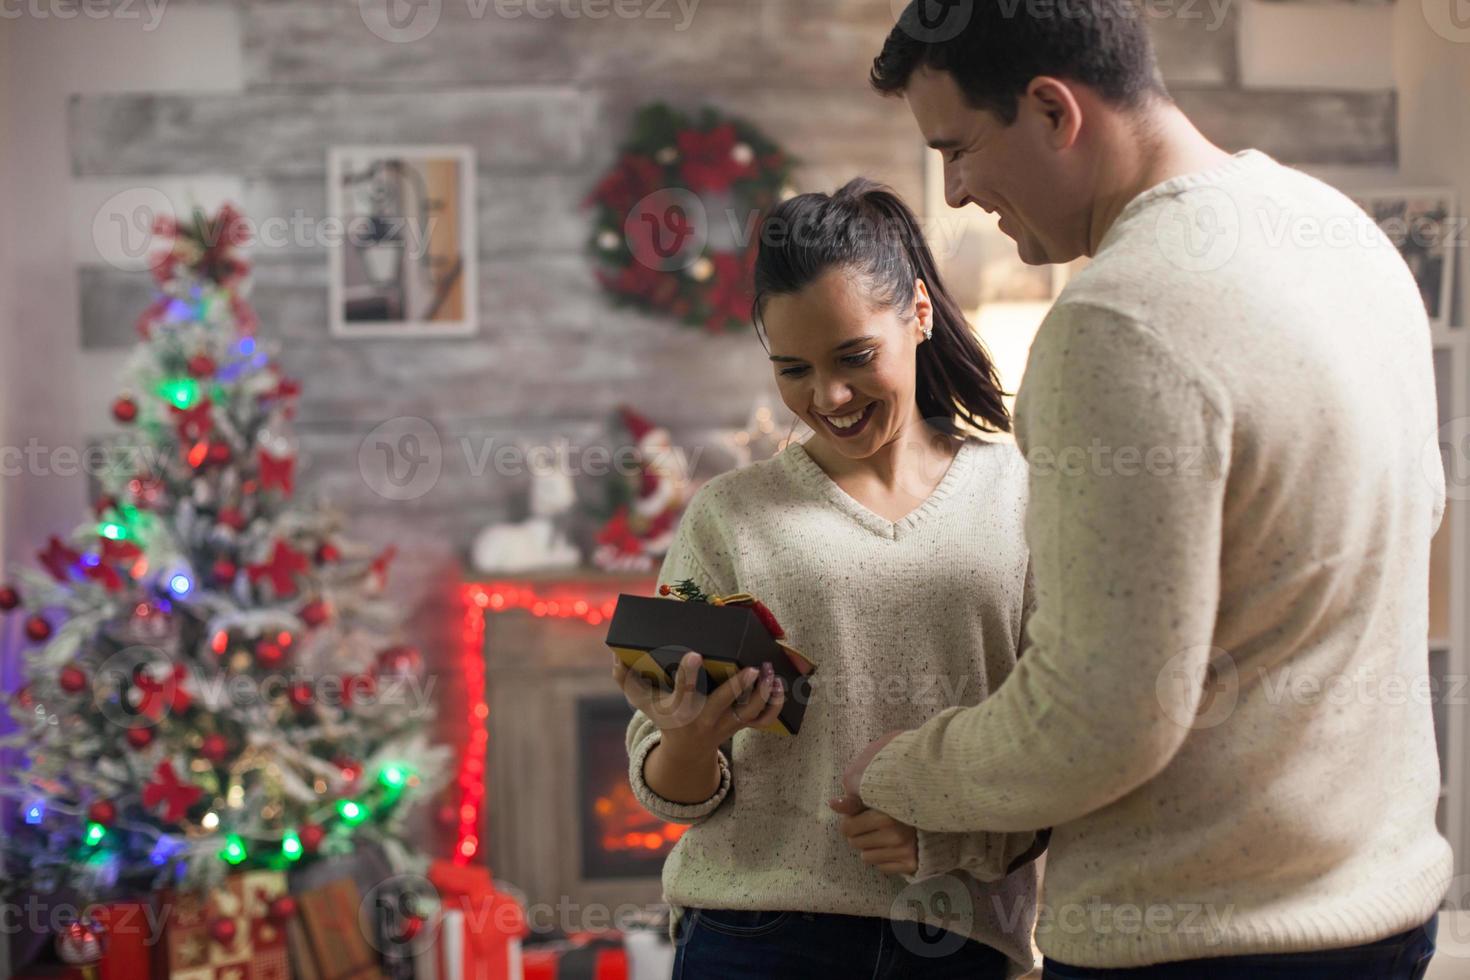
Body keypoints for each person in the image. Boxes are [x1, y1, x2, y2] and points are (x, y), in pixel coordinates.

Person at [838, 2, 1450, 978]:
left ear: (1052, 109)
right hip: (1384, 907)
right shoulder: (1343, 234)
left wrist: (904, 772)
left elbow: (1094, 720)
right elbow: (1413, 516)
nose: (954, 193)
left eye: (958, 150)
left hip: (1199, 940)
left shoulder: (1119, 323)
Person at [616, 178, 1046, 978]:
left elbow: (1062, 733)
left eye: (854, 358)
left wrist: (950, 835)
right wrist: (687, 737)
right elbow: (676, 790)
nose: (829, 397)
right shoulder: (729, 515)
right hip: (753, 936)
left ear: (918, 313)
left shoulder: (1024, 492)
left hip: (957, 935)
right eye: (794, 370)